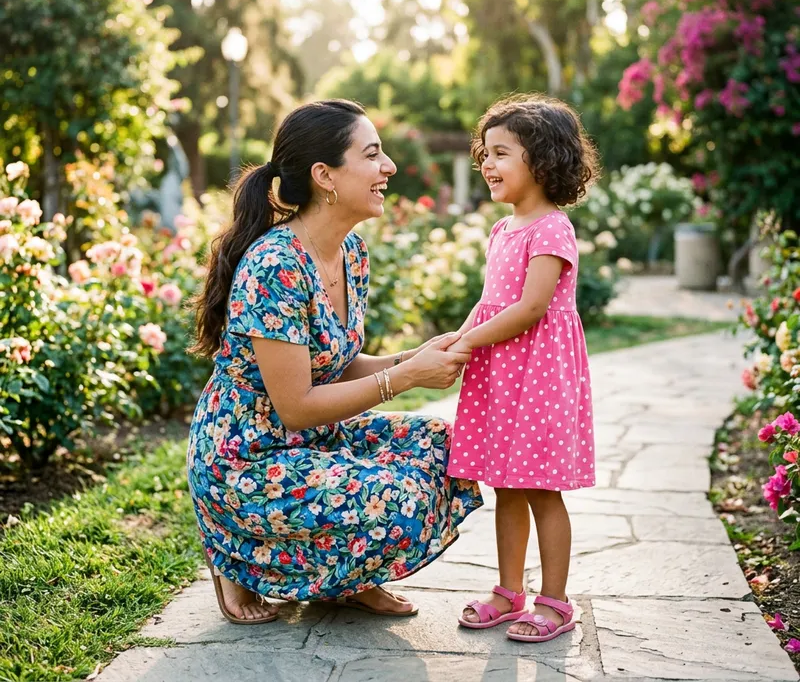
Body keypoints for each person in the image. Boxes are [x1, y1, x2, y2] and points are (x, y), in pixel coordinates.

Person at [187, 98, 482, 624]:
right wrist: (404, 378)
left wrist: (414, 355)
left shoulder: (351, 253)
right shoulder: (274, 266)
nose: (388, 167)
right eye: (372, 155)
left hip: (315, 441)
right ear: (325, 175)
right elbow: (297, 406)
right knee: (393, 499)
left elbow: (336, 364)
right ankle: (234, 558)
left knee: (441, 445)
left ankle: (344, 580)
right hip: (248, 459)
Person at [445, 94, 600, 642]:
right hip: (501, 376)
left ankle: (555, 601)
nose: (487, 164)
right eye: (484, 153)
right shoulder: (502, 229)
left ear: (542, 160)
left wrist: (468, 345)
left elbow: (531, 308)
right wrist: (457, 339)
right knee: (506, 487)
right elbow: (490, 301)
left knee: (541, 491)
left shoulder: (551, 228)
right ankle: (509, 591)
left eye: (501, 153)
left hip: (537, 376)